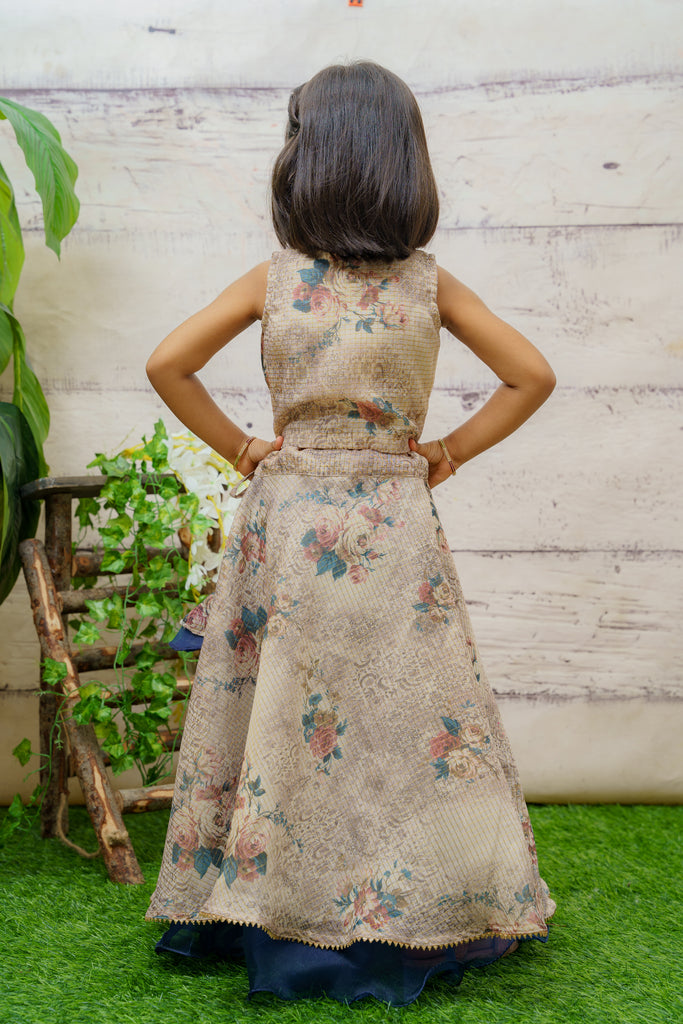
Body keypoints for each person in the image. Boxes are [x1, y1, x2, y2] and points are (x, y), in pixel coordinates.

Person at [145, 61, 557, 1007]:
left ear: (307, 159)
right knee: (399, 720)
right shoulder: (427, 285)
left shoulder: (274, 280)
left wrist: (250, 449)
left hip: (289, 524)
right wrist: (444, 450)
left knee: (287, 719)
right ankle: (412, 904)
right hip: (392, 521)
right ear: (401, 163)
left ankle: (261, 898)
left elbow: (168, 363)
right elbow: (530, 375)